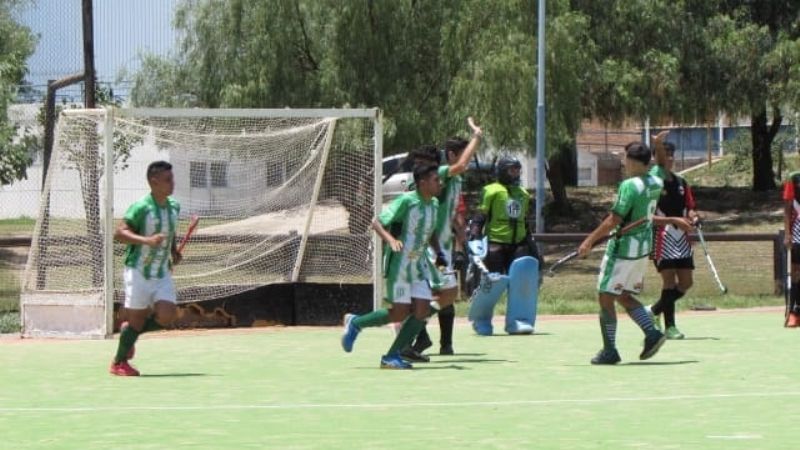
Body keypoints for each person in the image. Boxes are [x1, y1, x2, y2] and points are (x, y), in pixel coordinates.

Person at [577, 132, 670, 365]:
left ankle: (610, 350)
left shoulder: (630, 185)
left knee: (605, 296)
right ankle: (652, 333)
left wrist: (589, 241)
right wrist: (658, 145)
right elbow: (661, 165)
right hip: (642, 248)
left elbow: (614, 219)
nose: (624, 162)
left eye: (626, 158)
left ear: (633, 161)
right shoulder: (656, 180)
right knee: (624, 295)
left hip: (622, 249)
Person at [340, 163, 443, 369]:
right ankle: (356, 323)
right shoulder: (407, 201)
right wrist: (391, 240)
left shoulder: (434, 204)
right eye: (436, 180)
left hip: (418, 267)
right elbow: (377, 223)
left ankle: (391, 356)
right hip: (400, 267)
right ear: (423, 183)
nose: (440, 183)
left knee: (422, 311)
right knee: (399, 313)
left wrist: (439, 253)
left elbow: (429, 232)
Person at [403, 118, 483, 361]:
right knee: (436, 292)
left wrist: (461, 244)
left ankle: (437, 341)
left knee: (443, 293)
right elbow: (461, 165)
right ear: (451, 155)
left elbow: (454, 214)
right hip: (429, 248)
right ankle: (418, 337)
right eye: (464, 153)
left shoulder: (452, 180)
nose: (468, 158)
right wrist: (477, 137)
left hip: (440, 248)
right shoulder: (437, 176)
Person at [109, 160, 182, 376]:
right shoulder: (141, 207)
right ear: (154, 181)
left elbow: (170, 232)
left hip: (162, 273)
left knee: (168, 315)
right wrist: (146, 240)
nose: (172, 183)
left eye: (172, 178)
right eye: (168, 179)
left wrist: (173, 251)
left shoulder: (174, 206)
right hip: (138, 271)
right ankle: (118, 362)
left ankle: (130, 334)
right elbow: (119, 233)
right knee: (138, 319)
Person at [465, 155, 543, 335]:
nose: (516, 173)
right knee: (491, 283)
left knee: (520, 281)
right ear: (502, 171)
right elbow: (480, 216)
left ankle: (518, 320)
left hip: (519, 244)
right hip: (495, 244)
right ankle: (482, 319)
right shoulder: (491, 191)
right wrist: (475, 237)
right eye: (512, 169)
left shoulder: (523, 193)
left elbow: (524, 223)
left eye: (517, 170)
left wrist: (533, 248)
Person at [649, 142, 698, 339]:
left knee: (686, 282)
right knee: (668, 282)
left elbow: (690, 207)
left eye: (671, 154)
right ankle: (670, 327)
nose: (668, 157)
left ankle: (654, 311)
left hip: (682, 238)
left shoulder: (681, 182)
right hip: (662, 237)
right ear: (655, 158)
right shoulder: (651, 182)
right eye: (664, 154)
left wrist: (694, 217)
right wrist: (673, 220)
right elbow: (647, 216)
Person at [782, 171, 800, 326]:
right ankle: (793, 312)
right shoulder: (794, 178)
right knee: (795, 273)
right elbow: (787, 208)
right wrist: (787, 234)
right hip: (797, 233)